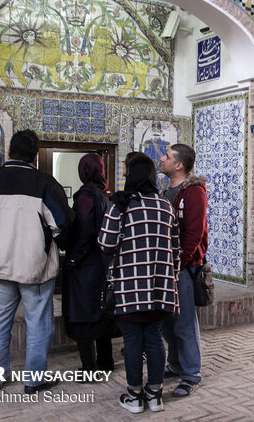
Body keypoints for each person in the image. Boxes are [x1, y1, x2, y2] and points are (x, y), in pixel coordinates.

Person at [0, 129, 73, 394]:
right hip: (33, 266)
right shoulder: (44, 184)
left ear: (9, 151)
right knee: (38, 322)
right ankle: (33, 380)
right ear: (35, 156)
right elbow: (63, 224)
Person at [98, 153, 180, 414]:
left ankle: (134, 396)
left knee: (132, 341)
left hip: (130, 288)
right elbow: (175, 249)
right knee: (155, 339)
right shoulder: (165, 206)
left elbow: (105, 244)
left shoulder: (120, 206)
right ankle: (155, 395)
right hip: (160, 289)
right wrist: (170, 278)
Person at [159, 144, 208, 397]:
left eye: (166, 156)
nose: (162, 158)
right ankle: (175, 364)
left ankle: (191, 374)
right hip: (167, 267)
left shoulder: (194, 192)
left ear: (178, 165)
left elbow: (194, 233)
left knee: (185, 323)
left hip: (183, 268)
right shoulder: (167, 190)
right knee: (168, 323)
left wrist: (180, 263)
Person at [62, 153, 116, 374]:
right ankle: (105, 362)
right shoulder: (106, 196)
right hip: (102, 264)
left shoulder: (86, 198)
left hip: (86, 267)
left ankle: (89, 368)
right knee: (102, 311)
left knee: (84, 315)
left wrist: (73, 259)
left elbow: (84, 232)